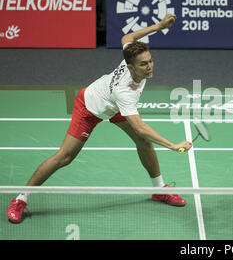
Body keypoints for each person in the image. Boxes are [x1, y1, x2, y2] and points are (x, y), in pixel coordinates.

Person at [7, 13, 192, 223]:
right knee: (65, 157)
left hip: (113, 106)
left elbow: (126, 39)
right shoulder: (126, 91)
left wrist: (158, 26)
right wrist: (173, 145)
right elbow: (139, 126)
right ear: (130, 67)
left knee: (143, 142)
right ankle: (20, 199)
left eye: (150, 61)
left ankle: (159, 190)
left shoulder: (130, 57)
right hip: (89, 107)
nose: (149, 67)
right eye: (143, 64)